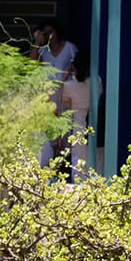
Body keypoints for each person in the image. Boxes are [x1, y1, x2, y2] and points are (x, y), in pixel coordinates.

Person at [35, 20, 77, 167]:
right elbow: (31, 64)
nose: (50, 36)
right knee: (51, 132)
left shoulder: (69, 48)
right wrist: (37, 42)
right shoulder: (43, 52)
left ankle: (65, 166)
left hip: (65, 95)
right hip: (49, 96)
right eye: (46, 33)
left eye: (51, 31)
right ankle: (52, 165)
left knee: (65, 131)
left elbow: (77, 65)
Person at [57, 48, 92, 176]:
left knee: (78, 162)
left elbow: (62, 101)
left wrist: (66, 75)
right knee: (93, 162)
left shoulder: (69, 86)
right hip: (93, 123)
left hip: (78, 124)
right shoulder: (96, 81)